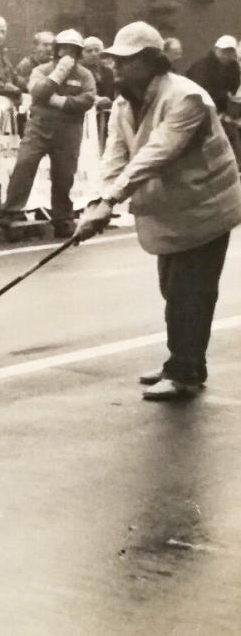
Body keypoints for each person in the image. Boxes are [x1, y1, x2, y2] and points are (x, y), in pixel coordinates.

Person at [77, 22, 241, 401]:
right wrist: (95, 202)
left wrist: (110, 203)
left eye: (125, 61)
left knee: (191, 292)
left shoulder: (187, 98)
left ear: (152, 62)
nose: (115, 68)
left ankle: (186, 372)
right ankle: (179, 362)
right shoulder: (123, 102)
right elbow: (115, 156)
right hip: (171, 211)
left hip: (207, 207)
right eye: (114, 61)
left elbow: (156, 153)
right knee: (172, 288)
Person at [0, 29, 96, 237]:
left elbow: (88, 99)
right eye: (64, 48)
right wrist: (58, 74)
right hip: (39, 127)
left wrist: (61, 101)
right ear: (57, 50)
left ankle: (62, 218)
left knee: (64, 175)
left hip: (68, 131)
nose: (67, 53)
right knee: (24, 164)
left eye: (73, 50)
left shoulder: (85, 75)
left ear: (78, 52)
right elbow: (38, 92)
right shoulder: (41, 70)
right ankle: (10, 212)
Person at [186, 34, 241, 114]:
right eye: (224, 51)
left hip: (221, 109)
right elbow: (199, 90)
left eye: (230, 51)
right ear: (216, 49)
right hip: (198, 107)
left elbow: (234, 87)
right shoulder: (202, 65)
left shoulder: (233, 67)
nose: (226, 55)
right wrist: (224, 94)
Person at [82, 36, 115, 109]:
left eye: (97, 50)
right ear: (82, 54)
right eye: (89, 51)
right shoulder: (80, 72)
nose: (93, 54)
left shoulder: (109, 72)